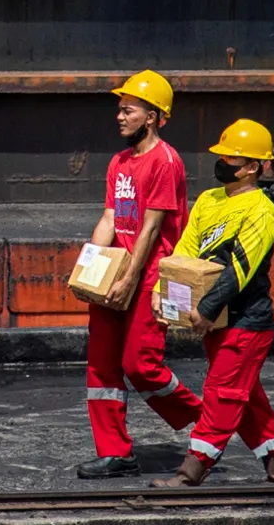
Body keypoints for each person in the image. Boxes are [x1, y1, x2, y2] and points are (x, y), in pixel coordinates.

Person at [73, 69, 204, 480]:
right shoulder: (120, 162)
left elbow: (150, 229)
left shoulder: (165, 162)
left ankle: (206, 419)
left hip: (148, 278)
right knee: (102, 368)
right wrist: (89, 268)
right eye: (119, 109)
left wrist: (130, 279)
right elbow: (111, 217)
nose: (119, 116)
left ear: (151, 116)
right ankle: (116, 453)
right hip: (118, 271)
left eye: (128, 110)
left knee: (139, 364)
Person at [156, 118, 274, 488]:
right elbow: (185, 254)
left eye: (233, 158)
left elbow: (240, 270)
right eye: (222, 156)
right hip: (218, 322)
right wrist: (169, 296)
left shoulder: (262, 212)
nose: (223, 163)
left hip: (247, 322)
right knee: (246, 396)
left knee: (223, 393)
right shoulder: (209, 200)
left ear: (254, 167)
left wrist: (204, 308)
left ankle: (192, 470)